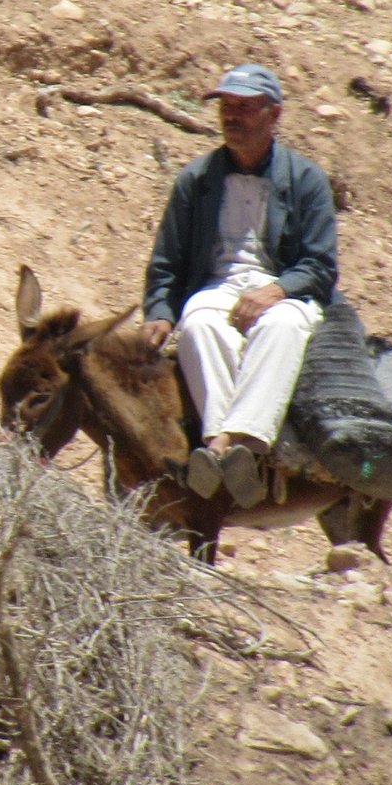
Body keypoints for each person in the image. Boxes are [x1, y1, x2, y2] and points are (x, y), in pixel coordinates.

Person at [140, 63, 337, 508]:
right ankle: (231, 451)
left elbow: (320, 266)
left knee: (281, 328)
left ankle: (226, 446)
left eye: (245, 108)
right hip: (216, 287)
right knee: (197, 325)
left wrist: (276, 291)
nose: (232, 117)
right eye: (227, 107)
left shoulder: (306, 181)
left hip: (284, 291)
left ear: (274, 114)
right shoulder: (196, 181)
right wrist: (158, 311)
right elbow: (167, 262)